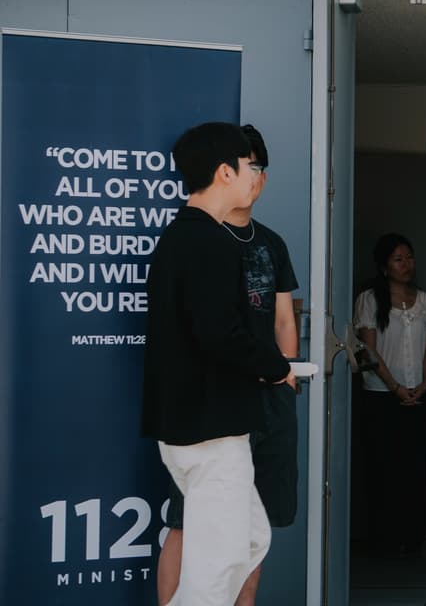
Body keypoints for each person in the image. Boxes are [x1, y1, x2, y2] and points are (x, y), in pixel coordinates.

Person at [142, 122, 295, 606]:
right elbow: (219, 335)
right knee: (220, 563)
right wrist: (277, 368)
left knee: (250, 540)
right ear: (226, 172)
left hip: (193, 427)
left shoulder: (182, 237)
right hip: (210, 431)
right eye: (251, 167)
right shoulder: (208, 241)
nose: (257, 176)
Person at [353, 233, 426, 555]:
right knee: (382, 465)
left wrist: (422, 384)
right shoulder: (370, 300)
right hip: (380, 395)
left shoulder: (425, 301)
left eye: (409, 257)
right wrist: (395, 387)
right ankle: (383, 536)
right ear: (384, 266)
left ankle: (413, 533)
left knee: (415, 466)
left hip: (419, 393)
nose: (406, 264)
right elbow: (368, 352)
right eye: (398, 259)